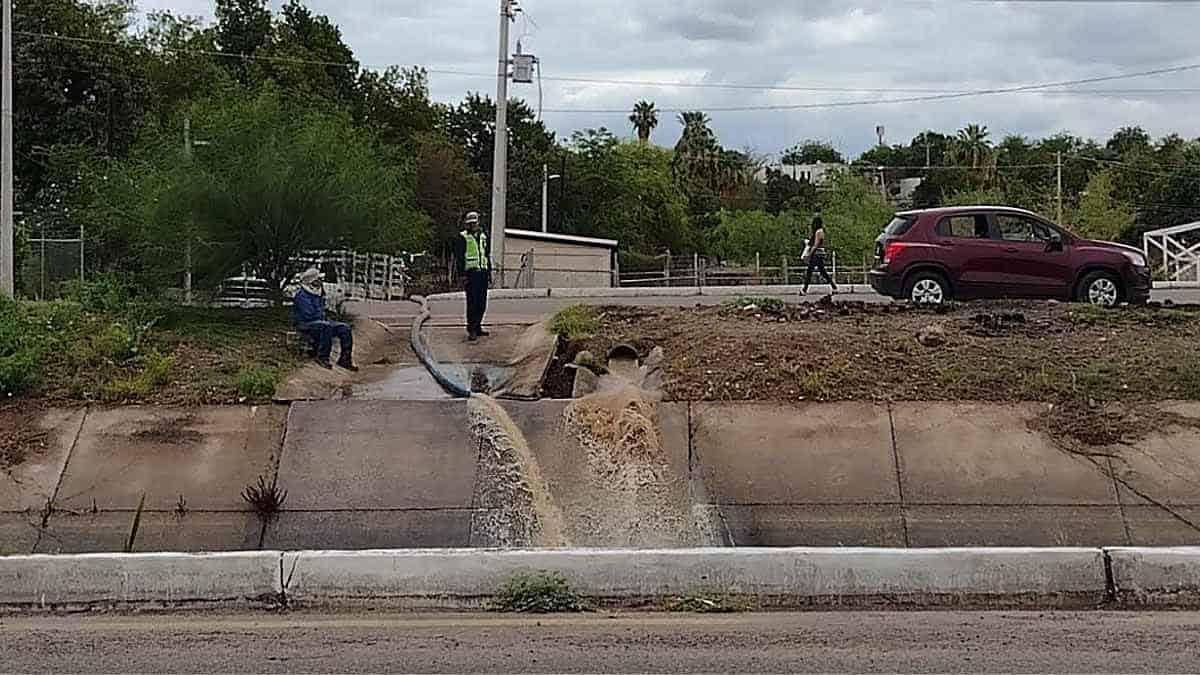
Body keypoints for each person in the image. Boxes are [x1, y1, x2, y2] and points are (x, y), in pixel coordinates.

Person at [292, 268, 357, 371]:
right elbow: (308, 315)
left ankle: (345, 360)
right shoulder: (302, 295)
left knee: (345, 328)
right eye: (318, 279)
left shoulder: (318, 293)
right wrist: (324, 318)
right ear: (312, 281)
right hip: (305, 323)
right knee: (326, 326)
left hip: (319, 322)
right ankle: (322, 357)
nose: (321, 281)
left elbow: (322, 312)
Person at [454, 211, 491, 342]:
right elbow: (459, 257)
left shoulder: (483, 236)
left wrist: (489, 272)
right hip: (471, 273)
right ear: (467, 224)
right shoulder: (462, 237)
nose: (473, 225)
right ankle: (472, 329)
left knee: (482, 302)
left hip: (482, 272)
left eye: (474, 223)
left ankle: (478, 325)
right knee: (472, 302)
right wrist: (462, 275)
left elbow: (486, 254)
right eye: (470, 224)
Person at [801, 215, 838, 295]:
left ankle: (804, 289)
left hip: (816, 254)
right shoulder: (821, 231)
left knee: (810, 272)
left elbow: (816, 244)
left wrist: (809, 254)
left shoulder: (818, 232)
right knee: (822, 272)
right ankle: (834, 287)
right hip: (819, 254)